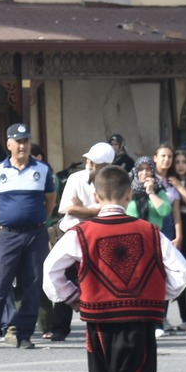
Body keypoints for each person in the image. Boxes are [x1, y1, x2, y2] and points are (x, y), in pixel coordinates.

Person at [41, 163, 186, 372]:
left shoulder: (79, 234)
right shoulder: (150, 232)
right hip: (139, 322)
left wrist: (73, 299)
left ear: (95, 196)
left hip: (99, 326)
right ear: (128, 195)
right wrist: (157, 294)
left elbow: (51, 270)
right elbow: (181, 273)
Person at [0, 123, 55, 350]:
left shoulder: (42, 170)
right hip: (7, 235)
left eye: (26, 141)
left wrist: (39, 219)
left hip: (35, 234)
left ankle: (24, 335)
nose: (22, 146)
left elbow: (50, 198)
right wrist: (5, 219)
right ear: (9, 144)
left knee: (32, 285)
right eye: (18, 141)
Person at [48, 142, 116, 343]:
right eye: (88, 159)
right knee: (64, 277)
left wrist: (82, 209)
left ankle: (101, 325)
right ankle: (59, 328)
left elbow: (111, 209)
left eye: (93, 161)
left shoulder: (113, 181)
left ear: (105, 164)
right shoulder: (76, 178)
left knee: (98, 282)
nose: (88, 163)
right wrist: (94, 210)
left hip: (98, 237)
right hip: (72, 235)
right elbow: (64, 209)